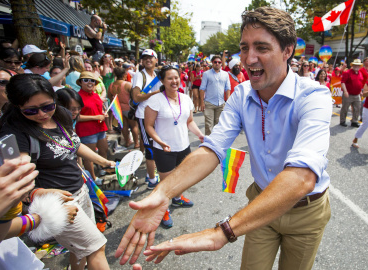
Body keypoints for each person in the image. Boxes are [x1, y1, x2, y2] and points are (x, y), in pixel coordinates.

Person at [116, 7, 331, 270]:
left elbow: (302, 176)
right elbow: (212, 149)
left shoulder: (314, 96)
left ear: (287, 50)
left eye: (261, 48)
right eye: (244, 48)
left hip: (306, 213)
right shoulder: (241, 94)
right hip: (260, 205)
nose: (249, 59)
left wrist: (221, 233)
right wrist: (162, 193)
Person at [0, 74, 113, 270]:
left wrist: (104, 161)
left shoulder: (62, 115)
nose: (42, 114)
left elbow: (74, 145)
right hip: (57, 203)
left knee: (80, 249)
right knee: (96, 247)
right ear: (17, 107)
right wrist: (33, 192)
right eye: (31, 110)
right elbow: (20, 173)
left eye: (48, 106)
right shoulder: (16, 132)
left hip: (80, 191)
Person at [142, 65, 204, 228]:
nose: (174, 81)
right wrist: (160, 142)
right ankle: (162, 210)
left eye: (176, 77)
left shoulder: (185, 98)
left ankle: (177, 199)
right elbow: (148, 126)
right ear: (162, 81)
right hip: (164, 149)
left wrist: (200, 135)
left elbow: (189, 121)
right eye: (169, 78)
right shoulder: (155, 100)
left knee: (180, 177)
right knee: (166, 183)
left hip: (183, 146)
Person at [131, 49, 161, 187]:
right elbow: (136, 97)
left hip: (156, 115)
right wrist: (154, 92)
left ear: (156, 60)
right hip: (144, 116)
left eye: (151, 57)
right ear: (142, 61)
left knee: (157, 145)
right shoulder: (139, 75)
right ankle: (151, 180)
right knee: (149, 148)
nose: (148, 60)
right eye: (145, 58)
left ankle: (154, 173)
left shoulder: (155, 75)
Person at [74, 72, 110, 183]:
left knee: (104, 150)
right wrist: (95, 117)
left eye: (92, 80)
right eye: (86, 80)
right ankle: (92, 178)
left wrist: (103, 114)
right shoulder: (77, 97)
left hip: (100, 128)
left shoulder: (95, 94)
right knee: (89, 156)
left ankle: (103, 169)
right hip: (87, 130)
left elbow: (98, 109)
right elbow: (76, 116)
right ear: (80, 82)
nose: (90, 82)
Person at [199, 55, 231, 135]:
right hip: (209, 103)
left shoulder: (225, 74)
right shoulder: (206, 74)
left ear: (221, 63)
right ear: (212, 63)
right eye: (215, 62)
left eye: (219, 62)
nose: (217, 64)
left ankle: (216, 143)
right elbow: (202, 88)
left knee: (219, 125)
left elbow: (228, 88)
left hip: (221, 104)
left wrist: (228, 102)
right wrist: (202, 102)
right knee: (209, 126)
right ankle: (208, 144)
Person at [109, 67, 139, 148]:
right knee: (134, 126)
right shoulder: (127, 84)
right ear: (124, 75)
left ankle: (127, 142)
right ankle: (136, 143)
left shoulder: (111, 85)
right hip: (128, 108)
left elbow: (110, 97)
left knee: (124, 126)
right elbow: (134, 97)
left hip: (118, 108)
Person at [340, 59, 365, 127]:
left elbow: (359, 83)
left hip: (357, 94)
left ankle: (354, 121)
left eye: (358, 65)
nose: (357, 66)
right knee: (345, 108)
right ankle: (342, 121)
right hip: (349, 94)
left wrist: (360, 91)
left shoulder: (360, 73)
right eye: (355, 65)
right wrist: (345, 91)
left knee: (357, 108)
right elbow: (343, 82)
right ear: (353, 65)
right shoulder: (347, 73)